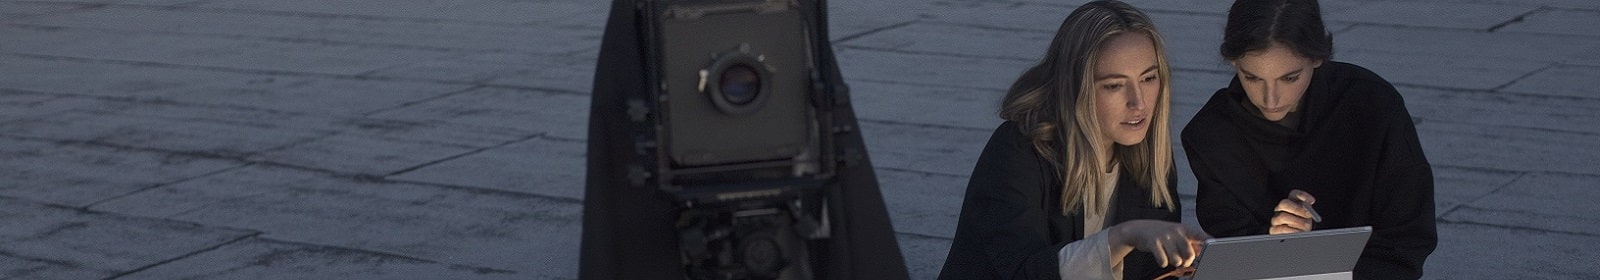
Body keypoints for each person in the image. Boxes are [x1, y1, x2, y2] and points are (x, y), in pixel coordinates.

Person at [939, 1, 1209, 279]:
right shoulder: (1018, 151)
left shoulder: (1148, 155)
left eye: (1148, 78)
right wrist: (1124, 236)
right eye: (1114, 85)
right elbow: (1023, 273)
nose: (1138, 103)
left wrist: (1186, 265)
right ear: (1076, 86)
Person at [1182, 0, 1437, 278]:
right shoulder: (1211, 134)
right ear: (1234, 61)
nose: (1271, 99)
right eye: (1252, 78)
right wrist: (1278, 238)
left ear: (1318, 58)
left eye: (1289, 78)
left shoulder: (1372, 106)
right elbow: (1232, 252)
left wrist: (1316, 247)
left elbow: (1407, 236)